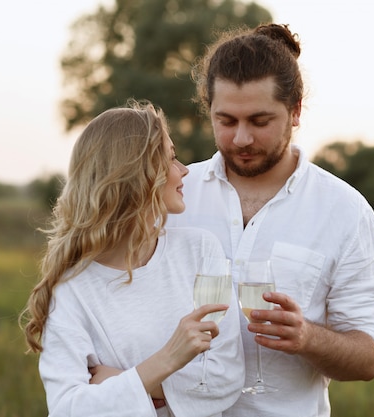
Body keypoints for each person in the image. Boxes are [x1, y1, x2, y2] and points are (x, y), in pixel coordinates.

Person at [166, 23, 374, 416]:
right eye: (227, 121)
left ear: (295, 110)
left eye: (260, 121)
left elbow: (369, 358)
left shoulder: (346, 211)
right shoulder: (172, 197)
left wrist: (307, 338)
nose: (241, 139)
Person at [20, 100, 244, 417]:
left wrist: (125, 382)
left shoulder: (200, 251)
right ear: (138, 173)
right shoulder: (72, 291)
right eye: (171, 158)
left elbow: (227, 379)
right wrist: (165, 361)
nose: (184, 170)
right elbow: (68, 409)